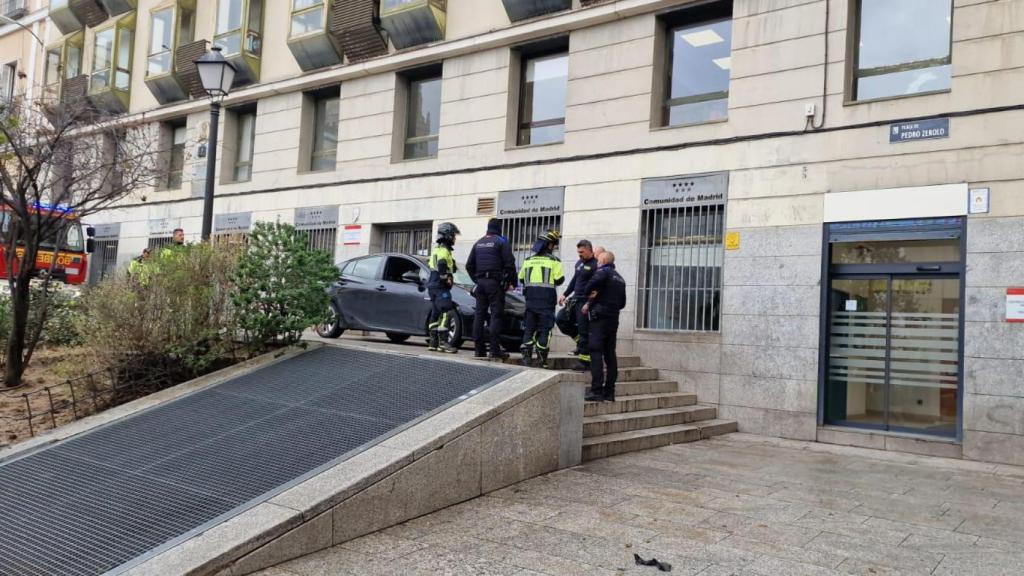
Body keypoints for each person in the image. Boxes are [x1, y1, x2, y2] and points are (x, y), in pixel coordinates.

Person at [465, 218, 516, 359]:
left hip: (480, 284)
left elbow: (469, 265)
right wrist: (513, 282)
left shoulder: (478, 243)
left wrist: (477, 279)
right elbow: (510, 263)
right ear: (499, 228)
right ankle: (494, 350)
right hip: (495, 283)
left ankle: (478, 349)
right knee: (496, 315)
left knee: (479, 315)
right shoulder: (501, 241)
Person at [582, 250, 627, 402]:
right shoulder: (620, 278)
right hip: (613, 319)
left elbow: (587, 288)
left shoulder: (603, 272)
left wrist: (591, 294)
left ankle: (596, 390)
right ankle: (609, 392)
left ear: (604, 260)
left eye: (599, 260)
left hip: (599, 318)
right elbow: (622, 303)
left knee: (595, 352)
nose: (597, 262)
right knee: (610, 355)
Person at [518, 230, 564, 368]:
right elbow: (559, 279)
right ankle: (541, 359)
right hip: (547, 301)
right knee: (545, 330)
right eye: (554, 245)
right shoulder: (554, 261)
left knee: (529, 329)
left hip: (530, 300)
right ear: (549, 245)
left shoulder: (528, 261)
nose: (554, 247)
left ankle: (526, 358)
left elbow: (521, 278)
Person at [556, 240, 598, 371]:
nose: (579, 255)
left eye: (582, 252)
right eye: (578, 252)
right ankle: (580, 343)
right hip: (574, 300)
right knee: (561, 319)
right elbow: (575, 280)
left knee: (584, 330)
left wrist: (590, 302)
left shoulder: (595, 265)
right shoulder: (579, 263)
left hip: (585, 301)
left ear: (590, 250)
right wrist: (565, 294)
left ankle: (585, 361)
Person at [427, 222, 461, 354]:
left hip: (432, 286)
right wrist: (445, 279)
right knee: (447, 312)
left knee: (435, 313)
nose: (455, 238)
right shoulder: (444, 251)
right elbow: (441, 264)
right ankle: (443, 343)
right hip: (441, 288)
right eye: (453, 235)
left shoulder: (436, 250)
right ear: (447, 236)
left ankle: (433, 342)